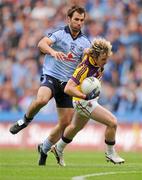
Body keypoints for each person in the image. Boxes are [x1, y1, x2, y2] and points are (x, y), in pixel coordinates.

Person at [9, 6, 91, 165]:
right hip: (51, 76)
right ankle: (25, 121)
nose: (79, 22)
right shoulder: (60, 33)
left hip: (67, 84)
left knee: (65, 124)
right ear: (69, 19)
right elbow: (42, 44)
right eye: (76, 19)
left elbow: (85, 61)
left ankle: (44, 148)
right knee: (41, 100)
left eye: (81, 20)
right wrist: (53, 52)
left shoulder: (85, 42)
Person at [50, 37, 125, 166]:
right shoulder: (84, 69)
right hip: (83, 101)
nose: (106, 62)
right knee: (112, 122)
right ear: (95, 56)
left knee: (75, 127)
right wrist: (85, 97)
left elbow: (87, 51)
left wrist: (88, 50)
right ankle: (110, 153)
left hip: (89, 99)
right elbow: (68, 88)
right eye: (103, 59)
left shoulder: (94, 57)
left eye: (107, 58)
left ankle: (58, 148)